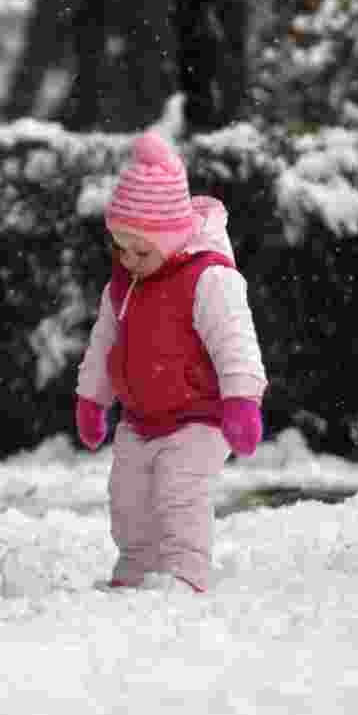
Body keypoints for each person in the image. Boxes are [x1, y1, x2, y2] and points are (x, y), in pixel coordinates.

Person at [75, 131, 267, 594]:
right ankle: (136, 566)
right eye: (121, 246)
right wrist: (91, 399)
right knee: (128, 499)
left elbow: (235, 341)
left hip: (200, 416)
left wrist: (242, 401)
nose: (129, 259)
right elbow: (104, 342)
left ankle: (186, 573)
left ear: (173, 236)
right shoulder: (123, 284)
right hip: (141, 418)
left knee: (179, 492)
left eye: (142, 250)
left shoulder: (209, 279)